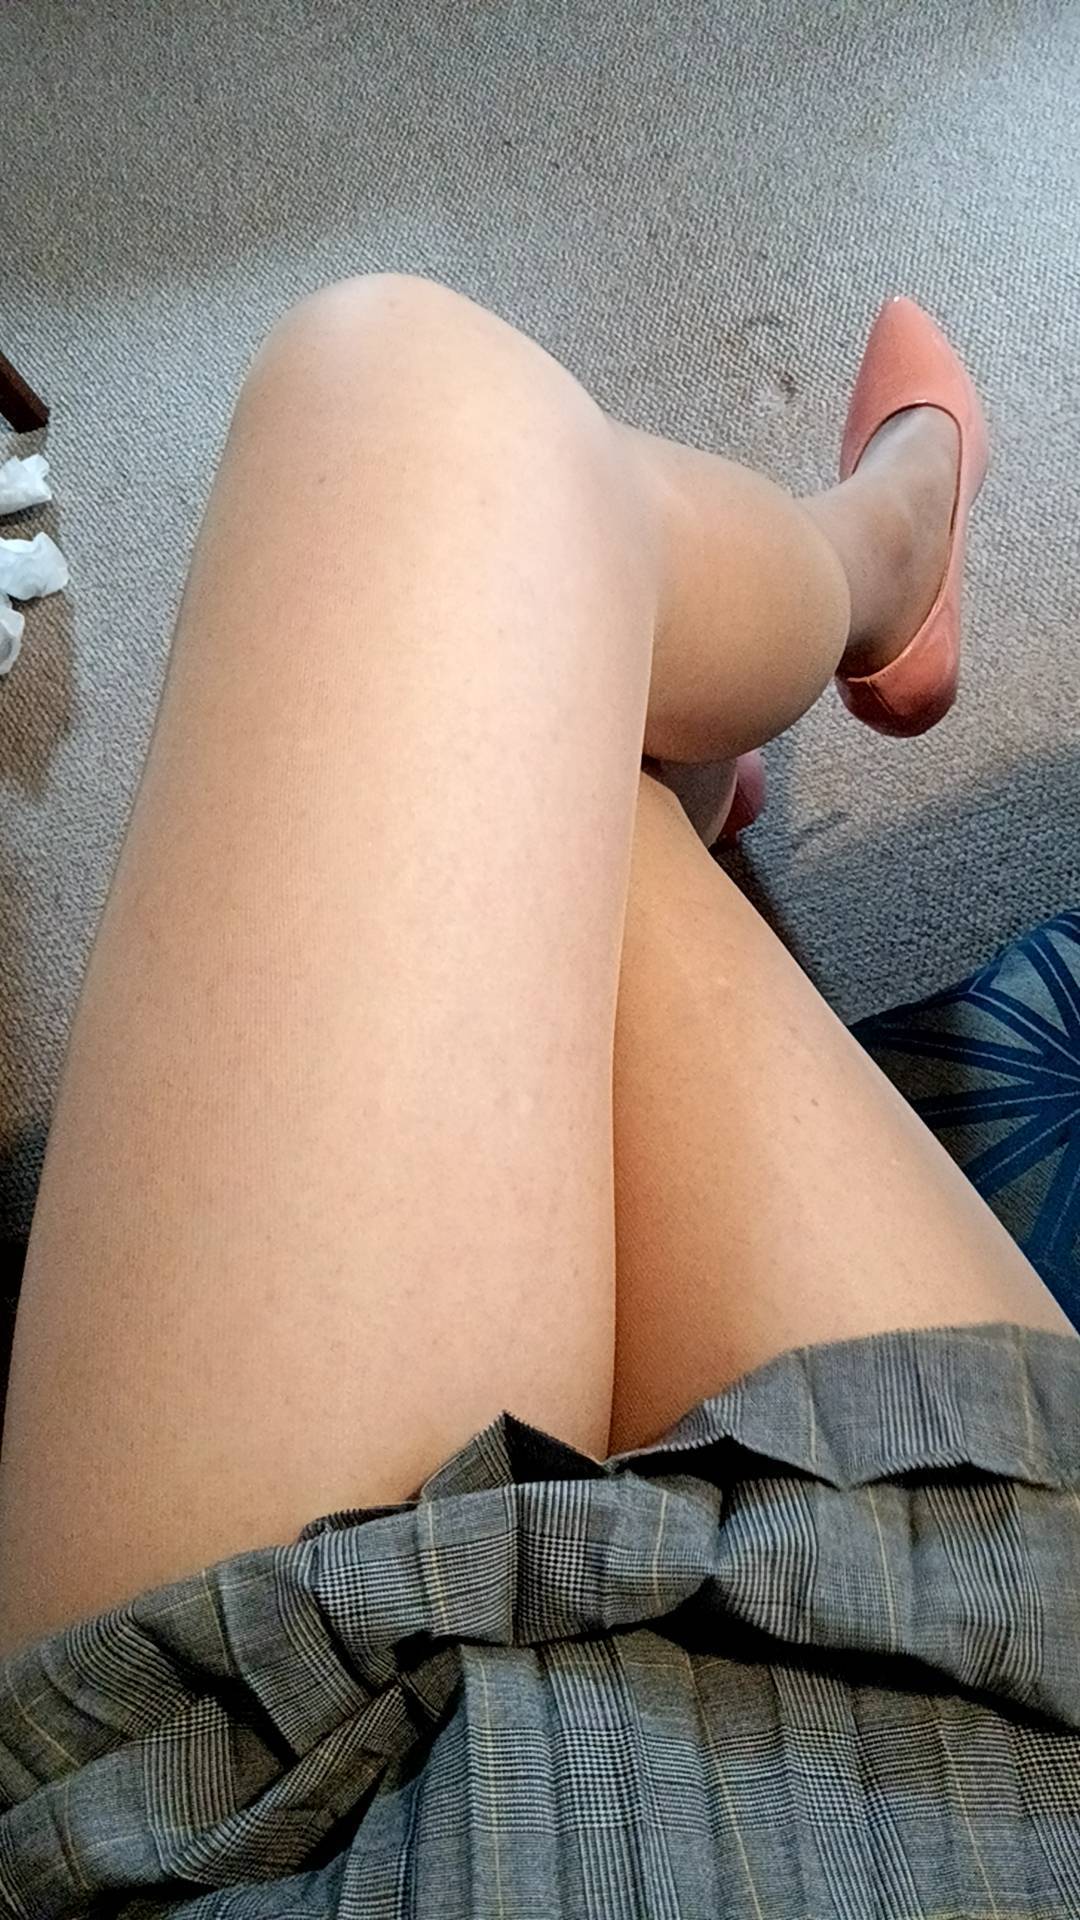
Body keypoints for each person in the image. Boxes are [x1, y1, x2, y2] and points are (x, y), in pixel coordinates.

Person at [0, 281, 1076, 1918]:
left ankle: (841, 582)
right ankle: (841, 589)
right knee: (474, 531)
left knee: (412, 419)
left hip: (283, 1820)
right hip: (963, 1763)